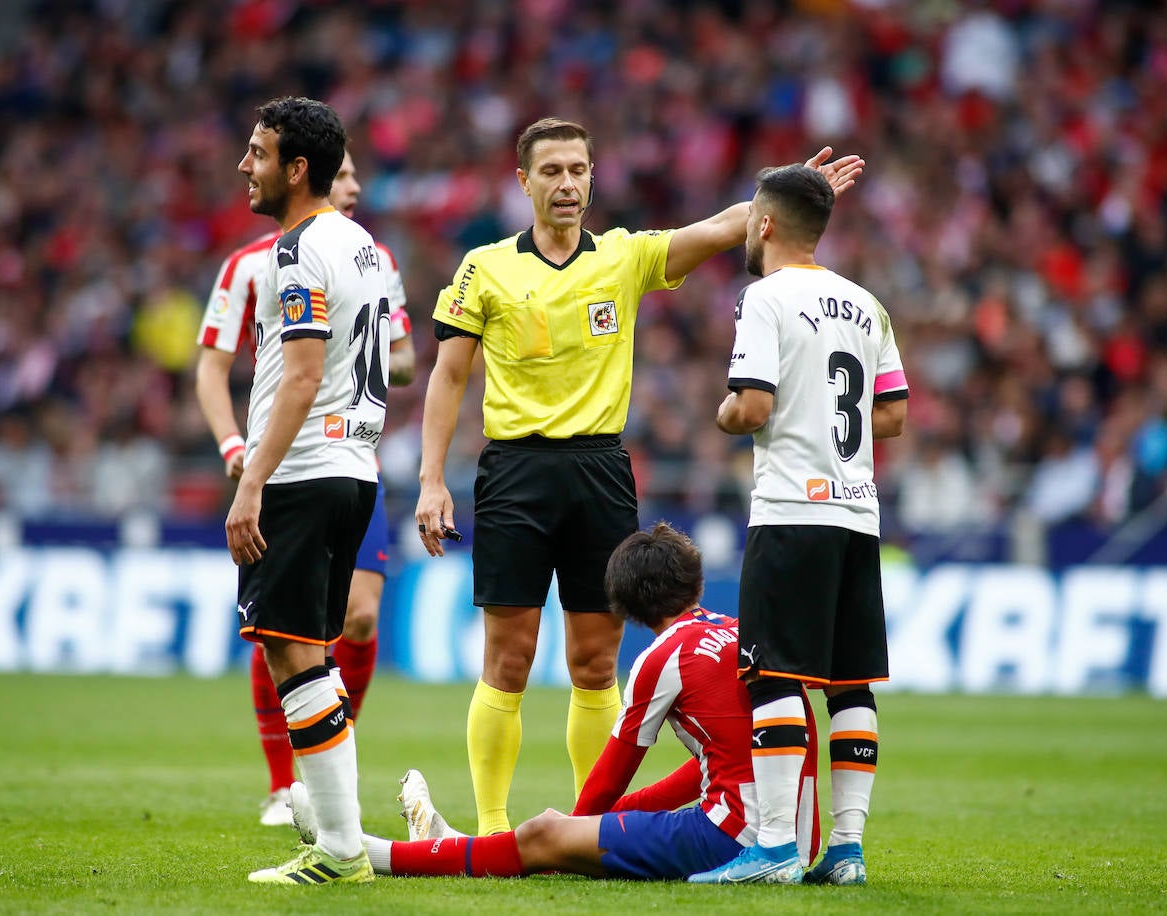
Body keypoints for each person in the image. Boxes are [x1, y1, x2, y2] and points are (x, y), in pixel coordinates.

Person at [414, 116, 863, 836]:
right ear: (523, 181)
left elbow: (722, 227)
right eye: (552, 171)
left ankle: (587, 824)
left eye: (578, 170)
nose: (567, 184)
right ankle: (495, 827)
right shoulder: (484, 267)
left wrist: (792, 195)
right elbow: (448, 375)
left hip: (598, 469)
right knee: (510, 656)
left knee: (595, 661)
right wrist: (432, 478)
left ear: (593, 177)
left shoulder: (623, 257)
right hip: (514, 471)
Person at [289, 523, 817, 880]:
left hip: (736, 838)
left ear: (625, 602)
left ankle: (373, 852)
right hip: (800, 833)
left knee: (545, 830)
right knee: (568, 830)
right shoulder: (737, 631)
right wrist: (595, 827)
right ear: (694, 579)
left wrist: (570, 833)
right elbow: (721, 761)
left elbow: (611, 777)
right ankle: (449, 843)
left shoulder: (663, 658)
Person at [689, 164, 908, 885]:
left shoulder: (766, 297)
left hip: (791, 512)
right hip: (856, 511)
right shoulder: (866, 303)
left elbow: (750, 407)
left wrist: (723, 416)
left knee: (773, 675)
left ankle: (776, 847)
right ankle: (845, 850)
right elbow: (893, 415)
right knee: (850, 684)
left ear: (765, 225)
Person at [195, 148, 415, 828]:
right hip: (294, 458)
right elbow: (212, 365)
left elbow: (398, 358)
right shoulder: (254, 264)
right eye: (342, 174)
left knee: (347, 620)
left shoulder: (373, 260)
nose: (351, 185)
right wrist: (237, 449)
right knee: (289, 634)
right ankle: (288, 785)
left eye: (355, 176)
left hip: (337, 460)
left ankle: (330, 799)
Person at [224, 95, 390, 886]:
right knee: (313, 659)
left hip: (302, 472)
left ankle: (340, 849)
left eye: (256, 153)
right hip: (355, 466)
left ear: (296, 169)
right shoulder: (361, 245)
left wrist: (250, 482)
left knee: (293, 659)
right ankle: (342, 839)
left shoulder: (292, 252)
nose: (243, 167)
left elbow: (299, 372)